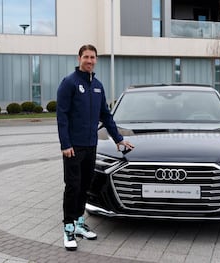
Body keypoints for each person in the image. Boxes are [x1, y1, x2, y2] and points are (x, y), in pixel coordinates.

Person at [56, 44, 134, 251]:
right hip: (73, 148)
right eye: (86, 57)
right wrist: (65, 144)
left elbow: (106, 116)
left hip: (91, 146)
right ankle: (68, 228)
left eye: (93, 57)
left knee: (84, 186)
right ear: (79, 58)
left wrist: (118, 139)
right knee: (72, 187)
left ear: (96, 60)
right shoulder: (69, 83)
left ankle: (80, 223)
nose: (89, 61)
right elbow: (61, 116)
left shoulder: (98, 85)